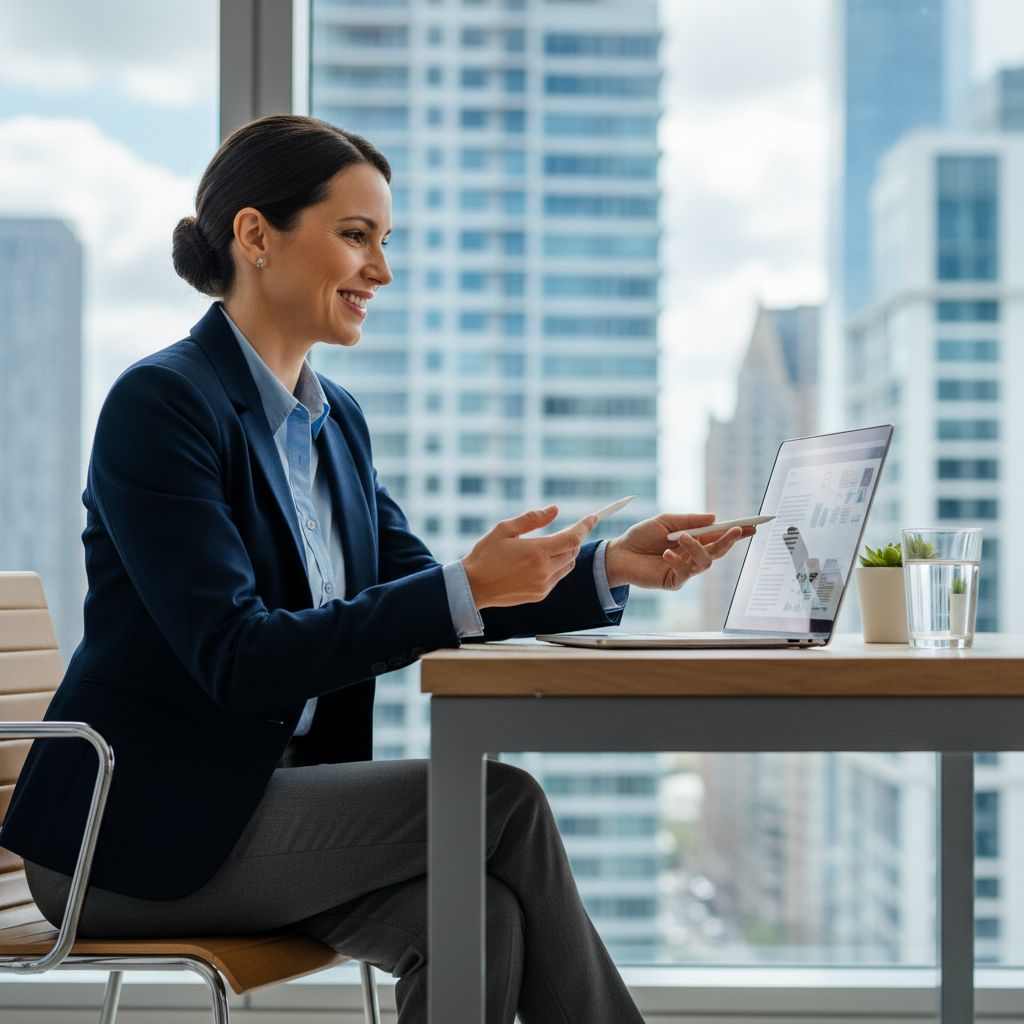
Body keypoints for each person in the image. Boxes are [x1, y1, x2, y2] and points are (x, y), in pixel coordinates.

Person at [0, 115, 751, 1024]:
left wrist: (606, 569)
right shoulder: (161, 406)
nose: (381, 271)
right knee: (502, 802)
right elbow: (237, 658)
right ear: (255, 236)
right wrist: (462, 588)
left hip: (265, 812)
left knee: (481, 918)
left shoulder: (336, 424)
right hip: (129, 834)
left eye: (383, 242)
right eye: (356, 237)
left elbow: (419, 587)